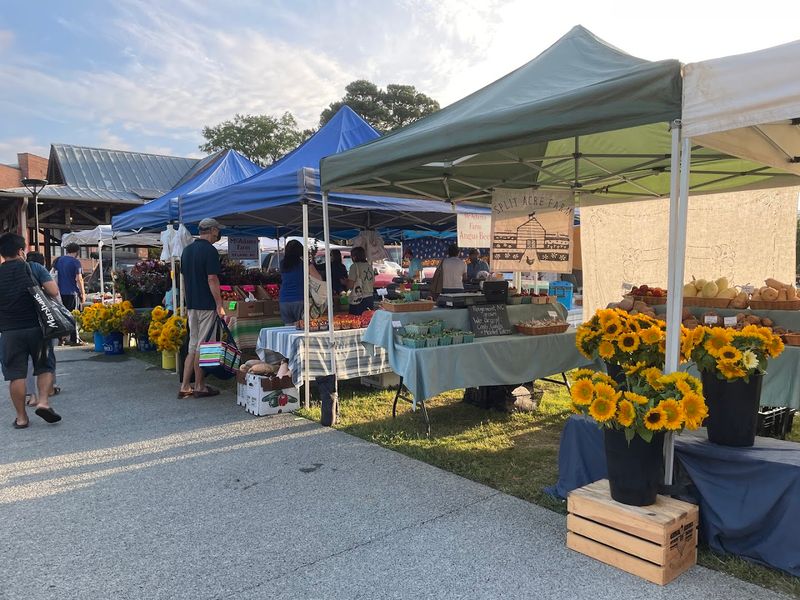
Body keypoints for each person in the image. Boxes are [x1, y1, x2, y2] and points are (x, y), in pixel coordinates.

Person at [0, 233, 62, 428]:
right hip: (37, 328)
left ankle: (21, 418)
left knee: (15, 374)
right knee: (44, 365)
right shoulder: (34, 267)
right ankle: (43, 402)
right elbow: (53, 292)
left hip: (9, 331)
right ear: (21, 251)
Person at [178, 218, 224, 399]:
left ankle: (184, 386)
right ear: (212, 230)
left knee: (193, 345)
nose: (218, 233)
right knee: (203, 347)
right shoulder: (210, 251)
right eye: (217, 230)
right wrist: (219, 304)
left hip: (192, 305)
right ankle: (199, 385)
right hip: (206, 305)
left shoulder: (187, 251)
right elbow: (212, 279)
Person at [25, 252, 60, 406]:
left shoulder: (14, 270)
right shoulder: (39, 269)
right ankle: (48, 391)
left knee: (28, 361)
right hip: (44, 320)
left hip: (20, 321)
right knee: (46, 357)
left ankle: (31, 395)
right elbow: (54, 292)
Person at [278, 240, 322, 325]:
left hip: (284, 300)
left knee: (288, 329)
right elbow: (318, 278)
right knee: (302, 327)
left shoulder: (282, 264)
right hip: (300, 299)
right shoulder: (304, 264)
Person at [54, 242, 85, 345]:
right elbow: (79, 278)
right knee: (73, 315)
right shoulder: (76, 262)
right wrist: (83, 293)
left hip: (60, 292)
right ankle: (73, 338)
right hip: (72, 292)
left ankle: (61, 338)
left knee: (62, 315)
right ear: (77, 252)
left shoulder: (59, 260)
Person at [346, 246, 375, 315]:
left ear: (354, 257)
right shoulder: (369, 266)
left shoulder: (354, 266)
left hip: (358, 299)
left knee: (356, 321)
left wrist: (345, 282)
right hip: (370, 298)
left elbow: (350, 285)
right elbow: (373, 281)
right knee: (368, 320)